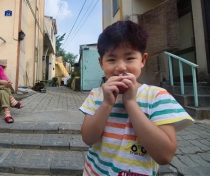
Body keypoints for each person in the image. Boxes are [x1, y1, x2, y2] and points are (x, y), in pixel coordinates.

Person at [80, 20, 194, 176]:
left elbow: (164, 156)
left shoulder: (157, 96)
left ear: (143, 60)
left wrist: (130, 102)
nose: (120, 67)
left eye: (129, 58)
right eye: (111, 59)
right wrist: (107, 103)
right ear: (101, 63)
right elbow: (88, 138)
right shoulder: (96, 95)